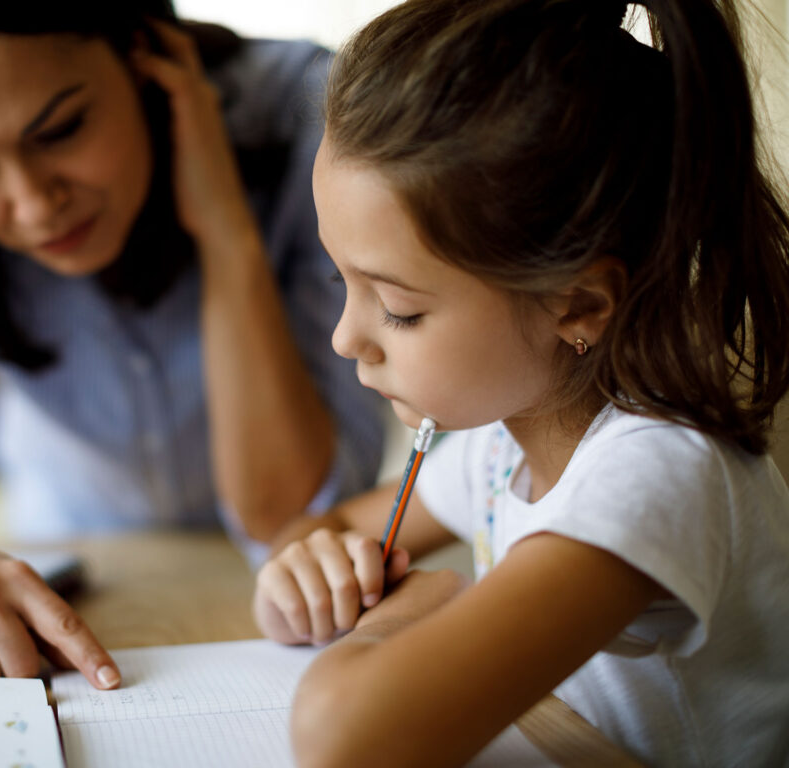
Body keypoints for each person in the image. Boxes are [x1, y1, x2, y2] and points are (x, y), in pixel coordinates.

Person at [0, 0, 385, 689]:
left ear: (143, 52)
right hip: (84, 582)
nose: (33, 206)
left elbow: (288, 519)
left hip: (288, 603)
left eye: (60, 130)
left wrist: (225, 233)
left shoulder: (313, 117)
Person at [252, 0, 789, 764]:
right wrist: (303, 576)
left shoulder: (659, 476)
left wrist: (401, 618)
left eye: (399, 309)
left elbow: (350, 740)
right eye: (342, 280)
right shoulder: (502, 445)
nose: (346, 339)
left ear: (577, 305)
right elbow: (328, 531)